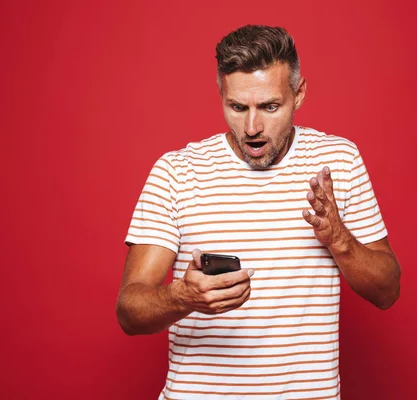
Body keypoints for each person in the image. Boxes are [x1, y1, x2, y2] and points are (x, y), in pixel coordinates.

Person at [116, 24, 401, 400]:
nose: (252, 127)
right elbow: (129, 312)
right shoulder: (177, 172)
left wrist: (339, 239)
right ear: (221, 94)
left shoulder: (339, 163)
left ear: (298, 95)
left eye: (269, 106)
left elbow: (387, 291)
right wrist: (183, 297)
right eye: (237, 107)